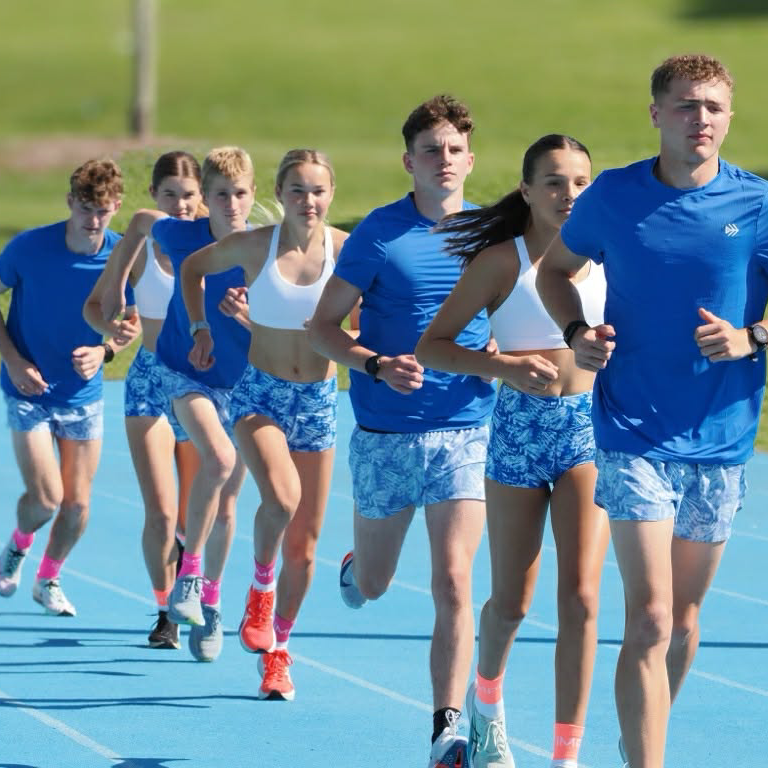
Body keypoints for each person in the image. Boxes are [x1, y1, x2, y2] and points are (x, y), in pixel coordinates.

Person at [536, 55, 768, 768]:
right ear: (657, 114)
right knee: (651, 617)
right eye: (687, 105)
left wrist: (752, 336)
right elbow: (555, 271)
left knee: (684, 623)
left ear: (729, 116)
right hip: (632, 430)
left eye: (713, 107)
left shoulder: (756, 203)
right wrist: (577, 332)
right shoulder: (614, 195)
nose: (701, 119)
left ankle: (642, 728)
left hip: (722, 435)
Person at [309, 95, 495, 768]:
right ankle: (357, 568)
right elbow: (322, 328)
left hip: (466, 430)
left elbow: (520, 308)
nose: (443, 160)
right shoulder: (379, 234)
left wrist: (507, 350)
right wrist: (375, 364)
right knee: (377, 584)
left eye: (454, 150)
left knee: (454, 580)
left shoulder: (492, 235)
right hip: (386, 434)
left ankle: (447, 728)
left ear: (470, 160)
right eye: (430, 150)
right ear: (408, 161)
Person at [416, 134, 608, 768]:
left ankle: (565, 756)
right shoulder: (502, 261)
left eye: (580, 181)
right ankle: (487, 706)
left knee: (581, 599)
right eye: (554, 181)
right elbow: (433, 347)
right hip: (520, 434)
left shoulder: (609, 256)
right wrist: (503, 368)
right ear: (526, 190)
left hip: (588, 431)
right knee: (512, 602)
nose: (568, 193)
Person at [181, 148, 352, 700]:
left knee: (305, 547)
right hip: (262, 396)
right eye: (297, 190)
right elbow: (192, 269)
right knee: (280, 499)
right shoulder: (255, 245)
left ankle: (277, 652)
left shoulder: (347, 251)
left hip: (319, 401)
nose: (308, 200)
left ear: (332, 194)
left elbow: (367, 323)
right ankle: (260, 588)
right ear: (279, 194)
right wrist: (201, 328)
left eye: (318, 190)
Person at [97, 146, 257, 662]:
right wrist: (109, 332)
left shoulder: (263, 247)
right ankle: (176, 592)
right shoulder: (171, 233)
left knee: (221, 503)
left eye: (238, 194)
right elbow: (143, 227)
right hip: (174, 373)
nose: (183, 205)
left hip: (237, 381)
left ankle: (210, 600)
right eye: (219, 195)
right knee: (186, 490)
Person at [0, 158, 140, 616]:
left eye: (102, 211)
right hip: (30, 390)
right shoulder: (28, 248)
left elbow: (134, 319)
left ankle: (48, 579)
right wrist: (13, 360)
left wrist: (106, 351)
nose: (92, 221)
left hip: (83, 395)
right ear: (69, 202)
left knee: (77, 506)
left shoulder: (123, 257)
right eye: (84, 209)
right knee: (46, 500)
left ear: (116, 206)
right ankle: (18, 546)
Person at [84, 151, 205, 650]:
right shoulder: (143, 236)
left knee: (192, 518)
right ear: (154, 194)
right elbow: (95, 307)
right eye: (169, 194)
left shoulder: (217, 242)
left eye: (189, 195)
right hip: (150, 383)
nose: (180, 205)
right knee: (160, 512)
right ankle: (164, 613)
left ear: (202, 196)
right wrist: (110, 329)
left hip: (201, 384)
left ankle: (193, 583)